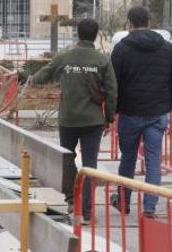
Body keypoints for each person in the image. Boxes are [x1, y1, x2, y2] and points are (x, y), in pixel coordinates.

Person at [32, 17, 117, 222]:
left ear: (78, 34)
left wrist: (28, 78)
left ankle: (71, 201)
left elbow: (41, 77)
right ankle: (86, 212)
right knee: (89, 165)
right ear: (96, 35)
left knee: (67, 160)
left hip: (68, 120)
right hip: (92, 122)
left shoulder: (65, 58)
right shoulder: (102, 60)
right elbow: (113, 92)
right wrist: (108, 118)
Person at [110, 6, 172, 218]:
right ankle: (149, 208)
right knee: (154, 160)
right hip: (158, 112)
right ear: (149, 21)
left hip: (130, 112)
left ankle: (123, 201)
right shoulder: (167, 48)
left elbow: (113, 84)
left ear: (129, 23)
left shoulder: (121, 48)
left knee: (127, 157)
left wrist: (113, 111)